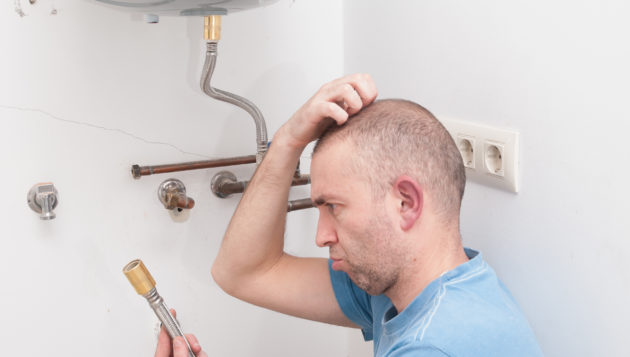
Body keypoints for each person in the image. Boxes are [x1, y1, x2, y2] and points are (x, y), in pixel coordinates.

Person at [160, 73, 542, 356]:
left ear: (405, 203)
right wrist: (289, 140)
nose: (321, 235)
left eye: (334, 207)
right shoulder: (415, 289)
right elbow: (243, 273)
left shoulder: (434, 345)